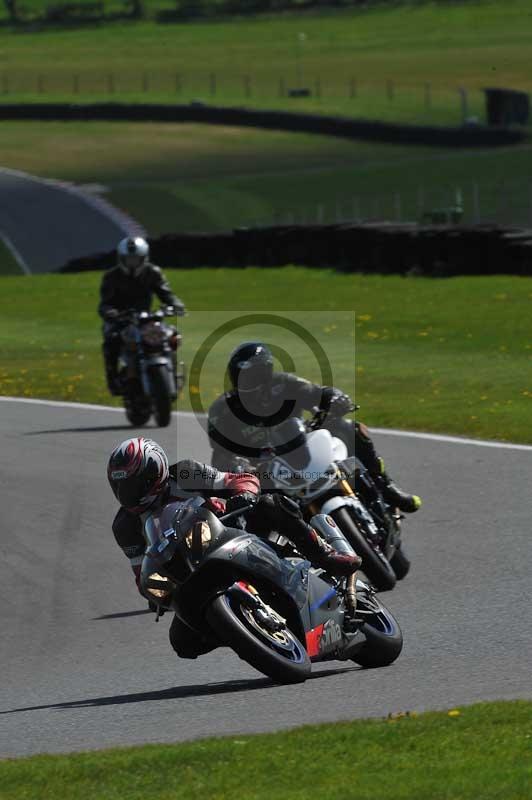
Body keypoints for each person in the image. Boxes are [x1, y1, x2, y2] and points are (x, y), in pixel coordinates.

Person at [107, 437, 361, 659]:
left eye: (136, 484)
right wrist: (156, 593)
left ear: (156, 471)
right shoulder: (124, 526)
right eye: (122, 487)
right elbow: (141, 572)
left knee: (270, 503)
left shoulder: (185, 472)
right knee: (183, 643)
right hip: (190, 572)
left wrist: (243, 494)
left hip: (232, 532)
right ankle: (244, 631)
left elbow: (238, 480)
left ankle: (325, 555)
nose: (129, 494)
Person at [208, 341, 421, 514]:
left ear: (266, 371)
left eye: (254, 374)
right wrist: (238, 465)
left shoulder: (284, 383)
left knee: (352, 428)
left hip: (305, 447)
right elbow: (220, 454)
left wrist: (335, 398)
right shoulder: (222, 410)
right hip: (266, 471)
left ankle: (385, 485)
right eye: (242, 376)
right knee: (255, 511)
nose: (248, 382)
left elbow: (318, 392)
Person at [98, 237, 186, 396]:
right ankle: (113, 380)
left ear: (144, 258)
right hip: (120, 319)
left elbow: (166, 293)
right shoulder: (111, 277)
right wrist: (111, 313)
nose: (132, 263)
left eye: (136, 259)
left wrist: (176, 305)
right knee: (111, 340)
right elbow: (105, 303)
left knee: (172, 336)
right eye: (129, 259)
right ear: (121, 259)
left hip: (146, 318)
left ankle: (172, 376)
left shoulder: (153, 273)